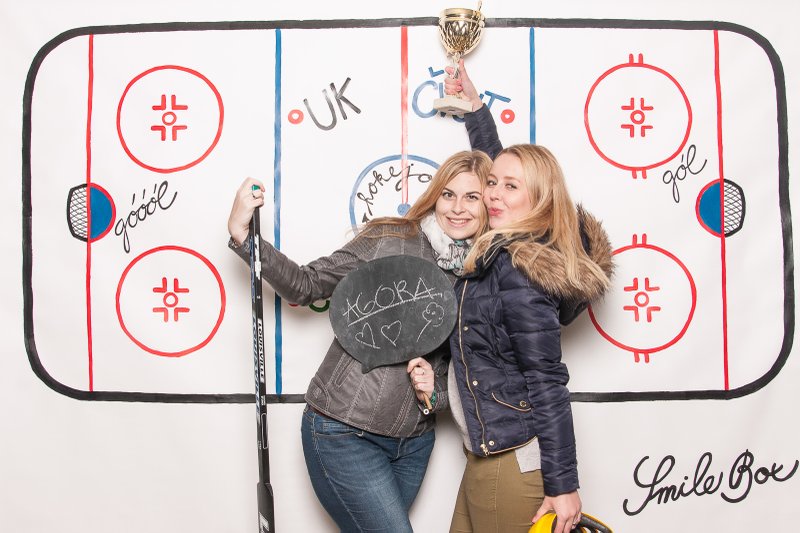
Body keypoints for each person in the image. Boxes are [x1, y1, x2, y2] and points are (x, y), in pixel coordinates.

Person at [227, 149, 492, 533]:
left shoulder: (484, 276)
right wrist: (244, 237)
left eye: (472, 197)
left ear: (489, 205)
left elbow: (471, 371)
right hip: (345, 430)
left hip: (414, 444)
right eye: (448, 194)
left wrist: (436, 394)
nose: (457, 208)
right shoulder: (391, 239)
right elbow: (306, 285)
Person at [409, 61, 614, 533]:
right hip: (486, 456)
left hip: (512, 463)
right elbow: (505, 170)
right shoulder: (505, 250)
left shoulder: (520, 268)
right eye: (491, 183)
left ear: (538, 200)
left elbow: (546, 379)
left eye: (509, 187)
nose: (492, 194)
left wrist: (564, 485)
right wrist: (476, 111)